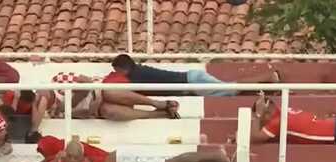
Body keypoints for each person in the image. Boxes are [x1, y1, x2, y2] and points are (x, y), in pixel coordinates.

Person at [18, 135, 230, 162]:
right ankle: (213, 158)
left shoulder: (67, 152)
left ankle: (214, 155)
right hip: (122, 161)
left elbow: (44, 160)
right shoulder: (75, 152)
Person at [105, 54, 280, 97]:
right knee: (231, 90)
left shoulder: (136, 77)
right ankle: (266, 85)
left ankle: (268, 78)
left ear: (122, 69)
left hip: (194, 83)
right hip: (193, 79)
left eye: (117, 71)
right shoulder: (140, 70)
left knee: (233, 88)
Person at [50, 71, 181, 121]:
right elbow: (82, 115)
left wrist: (94, 94)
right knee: (108, 111)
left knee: (108, 92)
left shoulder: (57, 80)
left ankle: (156, 103)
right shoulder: (54, 111)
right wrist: (91, 109)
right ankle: (159, 114)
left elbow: (85, 79)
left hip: (101, 89)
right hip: (95, 108)